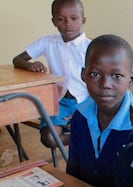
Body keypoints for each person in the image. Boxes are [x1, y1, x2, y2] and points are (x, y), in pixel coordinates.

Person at [12, 0, 90, 148]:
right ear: (54, 22)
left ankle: (81, 133)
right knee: (49, 138)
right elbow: (17, 59)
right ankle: (78, 136)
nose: (68, 23)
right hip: (58, 101)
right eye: (61, 19)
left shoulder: (91, 47)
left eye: (74, 18)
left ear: (83, 20)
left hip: (86, 101)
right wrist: (30, 65)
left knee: (98, 131)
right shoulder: (47, 42)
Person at [66, 34, 133, 187]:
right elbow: (73, 170)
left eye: (116, 76)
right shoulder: (80, 116)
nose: (105, 84)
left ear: (131, 79)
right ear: (83, 75)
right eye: (95, 75)